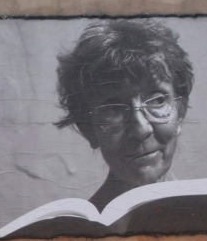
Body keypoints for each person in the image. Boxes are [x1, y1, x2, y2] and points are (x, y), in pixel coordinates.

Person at [55, 18, 193, 211]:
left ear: (180, 111)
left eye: (157, 100)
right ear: (87, 128)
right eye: (113, 109)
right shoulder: (75, 235)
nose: (140, 129)